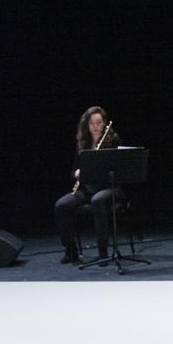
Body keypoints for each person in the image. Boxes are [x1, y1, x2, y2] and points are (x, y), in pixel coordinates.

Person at [54, 106, 124, 265]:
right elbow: (74, 170)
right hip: (87, 189)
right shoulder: (83, 143)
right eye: (92, 123)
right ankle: (71, 251)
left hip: (110, 188)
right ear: (87, 124)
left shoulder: (112, 141)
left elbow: (119, 169)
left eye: (99, 122)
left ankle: (103, 251)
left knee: (97, 200)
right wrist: (77, 173)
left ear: (104, 124)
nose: (95, 126)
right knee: (61, 205)